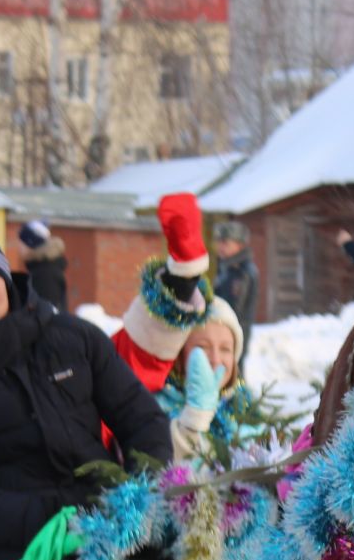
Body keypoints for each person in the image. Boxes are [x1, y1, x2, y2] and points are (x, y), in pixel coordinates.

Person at [0, 225, 172, 560]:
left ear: (5, 278)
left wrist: (140, 494)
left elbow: (141, 418)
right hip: (17, 556)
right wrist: (52, 516)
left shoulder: (74, 338)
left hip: (111, 524)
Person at [105, 195, 258, 462]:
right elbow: (159, 463)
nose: (214, 358)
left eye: (225, 349)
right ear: (179, 357)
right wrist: (195, 416)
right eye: (201, 348)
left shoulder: (240, 412)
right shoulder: (157, 406)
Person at [212, 219, 258, 365]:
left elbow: (235, 308)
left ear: (239, 245)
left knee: (233, 373)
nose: (220, 247)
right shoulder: (226, 268)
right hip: (223, 331)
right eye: (219, 242)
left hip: (234, 333)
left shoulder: (242, 272)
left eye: (225, 243)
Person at [17, 220, 68, 311]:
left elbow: (48, 311)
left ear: (31, 243)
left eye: (22, 243)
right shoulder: (41, 268)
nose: (19, 248)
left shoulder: (46, 274)